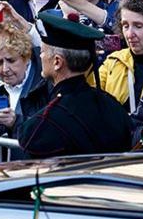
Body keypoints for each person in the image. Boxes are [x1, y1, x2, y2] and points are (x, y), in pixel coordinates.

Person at [19, 12, 132, 157]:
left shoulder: (44, 123)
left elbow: (30, 139)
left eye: (42, 52)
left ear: (57, 62)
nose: (40, 56)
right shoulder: (112, 106)